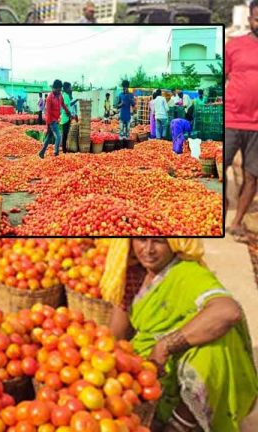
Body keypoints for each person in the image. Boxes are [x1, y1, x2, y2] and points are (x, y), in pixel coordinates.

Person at [105, 238, 258, 432]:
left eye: (159, 242)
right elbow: (116, 336)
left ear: (175, 244)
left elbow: (227, 311)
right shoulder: (133, 274)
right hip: (146, 369)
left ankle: (181, 422)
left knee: (218, 342)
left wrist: (165, 345)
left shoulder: (187, 273)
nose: (148, 250)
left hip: (171, 365)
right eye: (141, 240)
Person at [225, 1, 258, 242]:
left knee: (252, 175)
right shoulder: (235, 45)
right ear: (251, 19)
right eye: (257, 18)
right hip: (232, 118)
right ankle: (221, 203)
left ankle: (236, 223)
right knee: (218, 167)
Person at [39, 80, 75, 159]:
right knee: (59, 136)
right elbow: (48, 113)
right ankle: (56, 153)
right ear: (54, 88)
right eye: (58, 89)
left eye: (60, 89)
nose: (59, 91)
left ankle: (41, 152)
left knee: (49, 137)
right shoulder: (49, 98)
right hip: (51, 120)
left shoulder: (59, 96)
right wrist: (48, 126)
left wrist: (68, 112)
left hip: (56, 119)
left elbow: (63, 104)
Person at [117, 80, 136, 148]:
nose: (124, 88)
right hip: (122, 116)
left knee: (128, 131)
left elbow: (133, 104)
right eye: (123, 87)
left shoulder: (131, 95)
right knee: (121, 132)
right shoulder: (120, 94)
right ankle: (121, 147)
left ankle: (127, 147)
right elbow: (117, 105)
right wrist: (121, 104)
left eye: (126, 87)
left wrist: (130, 98)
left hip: (128, 116)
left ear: (128, 87)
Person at [60, 83, 73, 153]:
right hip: (65, 118)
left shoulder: (66, 95)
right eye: (70, 88)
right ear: (67, 88)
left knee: (65, 134)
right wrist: (69, 114)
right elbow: (64, 107)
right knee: (65, 134)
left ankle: (64, 148)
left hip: (66, 117)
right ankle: (64, 150)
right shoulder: (65, 96)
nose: (71, 89)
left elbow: (67, 106)